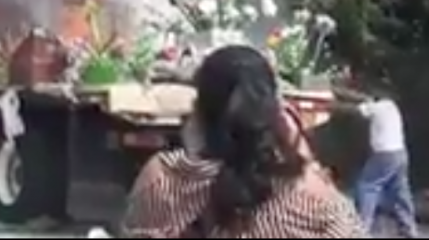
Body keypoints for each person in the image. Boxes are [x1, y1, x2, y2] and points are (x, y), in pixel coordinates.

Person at [121, 44, 365, 237]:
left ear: (199, 109)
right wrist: (304, 157)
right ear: (275, 114)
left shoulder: (161, 178)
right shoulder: (313, 201)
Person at [354, 83, 417, 236]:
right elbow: (363, 100)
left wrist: (332, 104)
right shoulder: (391, 106)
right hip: (401, 154)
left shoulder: (378, 107)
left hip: (385, 154)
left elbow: (357, 110)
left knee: (367, 186)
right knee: (400, 191)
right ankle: (409, 229)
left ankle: (362, 229)